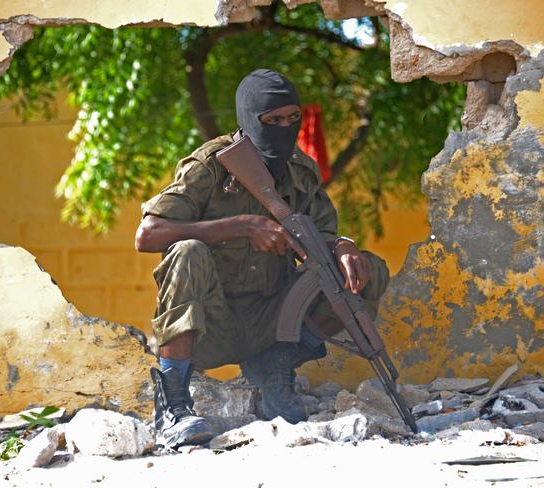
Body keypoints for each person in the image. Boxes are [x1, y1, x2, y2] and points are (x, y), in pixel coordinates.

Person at [135, 68, 390, 449]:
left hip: (272, 323)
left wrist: (345, 246)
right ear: (248, 119)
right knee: (187, 252)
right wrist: (241, 225)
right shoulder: (211, 164)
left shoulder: (300, 171)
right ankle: (174, 407)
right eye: (271, 121)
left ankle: (275, 366)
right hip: (208, 325)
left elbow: (323, 235)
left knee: (369, 271)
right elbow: (148, 234)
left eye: (292, 118)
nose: (284, 127)